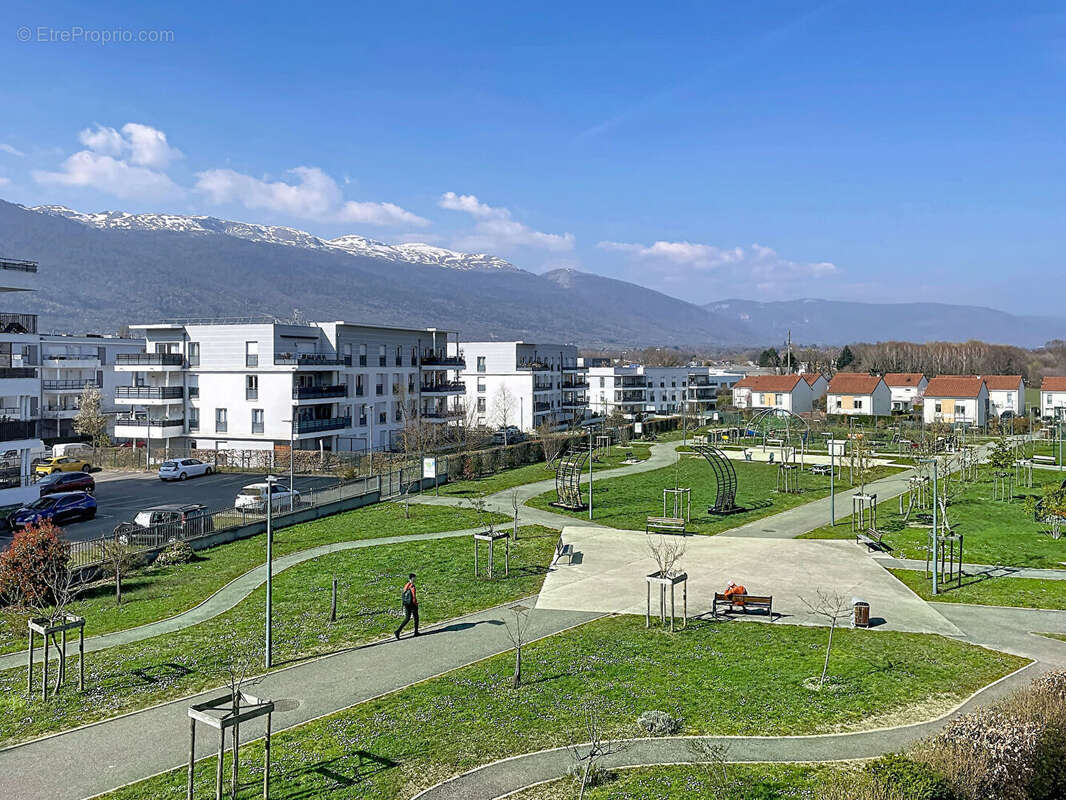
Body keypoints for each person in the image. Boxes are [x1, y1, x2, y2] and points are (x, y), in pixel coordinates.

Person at [395, 573, 419, 639]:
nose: (415, 579)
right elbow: (413, 596)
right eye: (415, 577)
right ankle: (416, 632)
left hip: (406, 604)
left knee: (407, 618)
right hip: (412, 604)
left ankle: (398, 631)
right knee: (416, 618)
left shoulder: (406, 585)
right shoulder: (412, 586)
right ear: (412, 578)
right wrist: (416, 603)